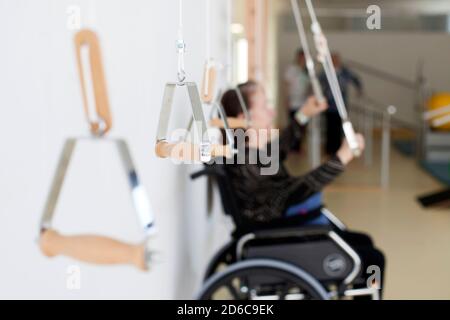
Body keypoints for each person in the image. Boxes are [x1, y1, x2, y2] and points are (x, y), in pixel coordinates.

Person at [221, 81, 384, 294]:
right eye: (264, 106)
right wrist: (341, 157)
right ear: (243, 118)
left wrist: (304, 114)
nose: (271, 112)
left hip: (284, 231)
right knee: (373, 260)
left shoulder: (249, 153)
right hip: (283, 237)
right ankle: (370, 293)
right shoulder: (245, 162)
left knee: (365, 243)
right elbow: (292, 193)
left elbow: (282, 145)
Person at [320, 53, 363, 155]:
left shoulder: (345, 72)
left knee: (340, 127)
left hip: (341, 105)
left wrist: (359, 90)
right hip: (329, 106)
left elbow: (356, 79)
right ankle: (329, 149)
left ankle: (338, 148)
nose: (335, 62)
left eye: (336, 59)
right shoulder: (326, 72)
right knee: (329, 127)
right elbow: (318, 81)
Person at [284, 49, 311, 151]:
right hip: (293, 103)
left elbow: (308, 86)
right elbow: (286, 85)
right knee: (294, 125)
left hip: (303, 103)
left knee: (302, 125)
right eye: (302, 57)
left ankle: (298, 146)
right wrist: (286, 99)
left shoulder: (306, 71)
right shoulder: (291, 69)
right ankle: (292, 146)